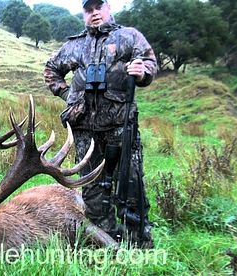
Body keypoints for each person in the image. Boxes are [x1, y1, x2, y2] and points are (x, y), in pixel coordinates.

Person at [43, 0, 157, 247]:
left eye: (98, 8)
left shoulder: (128, 36)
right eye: (88, 10)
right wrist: (68, 96)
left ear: (108, 9)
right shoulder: (74, 45)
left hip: (120, 126)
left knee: (130, 183)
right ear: (84, 14)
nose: (94, 14)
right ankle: (104, 241)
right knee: (92, 187)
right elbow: (51, 70)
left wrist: (142, 71)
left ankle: (138, 243)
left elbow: (149, 62)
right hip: (85, 130)